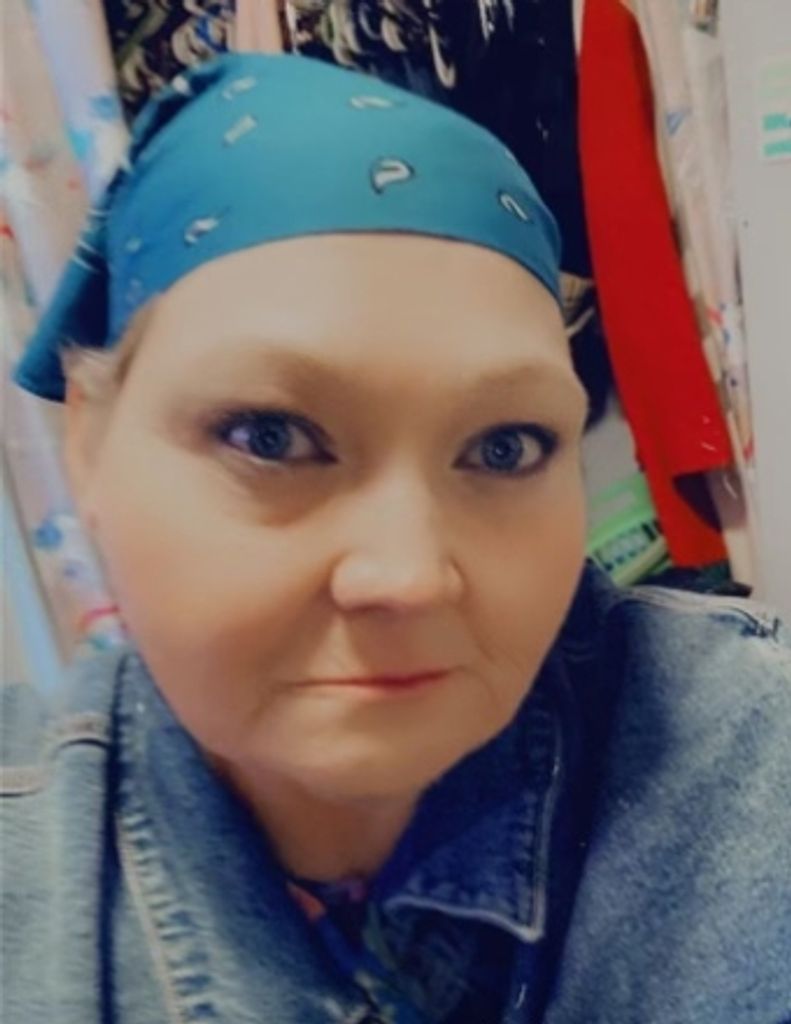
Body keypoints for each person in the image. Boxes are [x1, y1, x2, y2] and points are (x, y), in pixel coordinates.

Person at [2, 53, 790, 1024]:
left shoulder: (754, 764)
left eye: (503, 446)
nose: (409, 576)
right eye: (270, 437)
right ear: (87, 445)